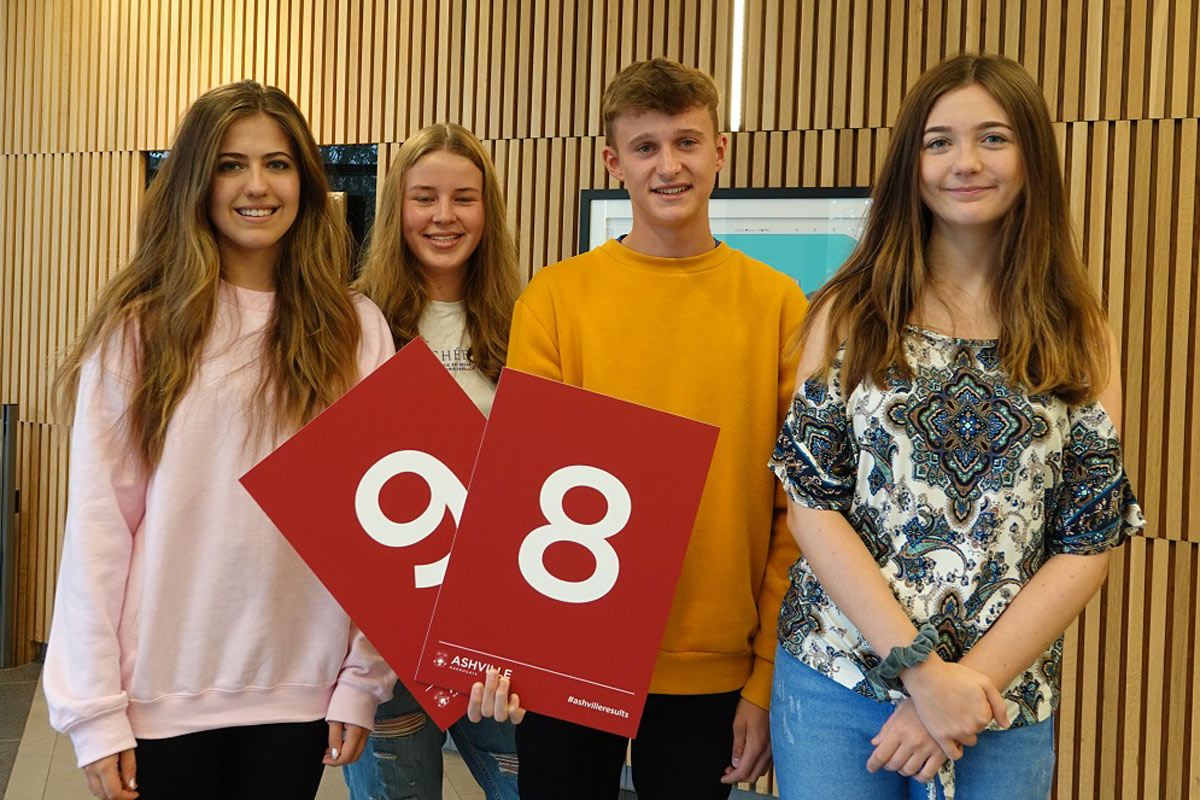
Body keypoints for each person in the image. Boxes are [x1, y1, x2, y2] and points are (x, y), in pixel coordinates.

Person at [767, 54, 1145, 800]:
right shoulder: (848, 311)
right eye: (939, 142)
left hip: (1000, 699)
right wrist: (919, 672)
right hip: (837, 680)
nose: (964, 162)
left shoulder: (1079, 330)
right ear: (912, 162)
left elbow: (1087, 537)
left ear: (1032, 156)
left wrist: (961, 688)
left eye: (993, 138)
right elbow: (811, 506)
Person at [43, 81, 395, 800]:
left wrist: (364, 677)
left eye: (278, 163)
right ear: (196, 182)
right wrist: (95, 712)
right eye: (231, 164)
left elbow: (382, 528)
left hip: (299, 686)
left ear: (306, 178)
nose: (257, 186)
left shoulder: (356, 330)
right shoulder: (139, 331)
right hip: (161, 693)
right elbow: (99, 526)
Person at [505, 58, 808, 799]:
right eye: (645, 147)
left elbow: (796, 510)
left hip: (713, 661)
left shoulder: (778, 305)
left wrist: (765, 677)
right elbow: (521, 490)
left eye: (687, 142)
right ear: (613, 161)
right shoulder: (555, 298)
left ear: (720, 150)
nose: (668, 166)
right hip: (568, 649)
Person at [344, 122, 522, 800]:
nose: (444, 216)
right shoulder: (349, 323)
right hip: (381, 641)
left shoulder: (527, 320)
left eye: (463, 198)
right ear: (397, 210)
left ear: (488, 211)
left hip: (497, 633)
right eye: (425, 198)